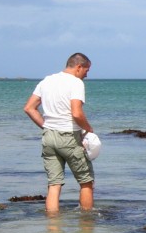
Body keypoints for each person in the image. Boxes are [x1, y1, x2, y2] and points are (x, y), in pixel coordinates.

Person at [23, 52, 95, 213]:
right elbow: (76, 113)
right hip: (69, 137)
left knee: (54, 184)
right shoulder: (76, 83)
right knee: (86, 181)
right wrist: (89, 129)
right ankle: (87, 225)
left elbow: (29, 108)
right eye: (87, 70)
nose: (86, 75)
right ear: (79, 67)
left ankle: (53, 229)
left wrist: (46, 126)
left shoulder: (47, 81)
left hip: (49, 137)